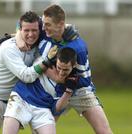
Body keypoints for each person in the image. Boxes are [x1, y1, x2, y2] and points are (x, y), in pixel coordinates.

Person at [0, 11, 58, 134]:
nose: (30, 34)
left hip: (5, 99)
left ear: (40, 30)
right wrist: (46, 62)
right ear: (20, 30)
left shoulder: (37, 43)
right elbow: (26, 76)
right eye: (26, 31)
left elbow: (59, 25)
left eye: (34, 30)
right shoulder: (9, 48)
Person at [38, 4, 113, 134]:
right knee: (40, 131)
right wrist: (14, 38)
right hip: (55, 92)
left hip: (80, 92)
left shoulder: (78, 48)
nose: (44, 28)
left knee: (104, 131)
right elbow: (23, 24)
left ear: (61, 24)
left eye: (48, 25)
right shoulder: (44, 29)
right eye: (44, 23)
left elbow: (85, 80)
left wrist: (68, 82)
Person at [3, 47, 78, 134]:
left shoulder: (73, 82)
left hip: (43, 108)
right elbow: (35, 67)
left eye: (65, 70)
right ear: (56, 60)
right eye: (59, 68)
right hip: (22, 97)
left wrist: (68, 91)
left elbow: (57, 109)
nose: (61, 72)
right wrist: (57, 78)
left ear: (74, 65)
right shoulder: (45, 60)